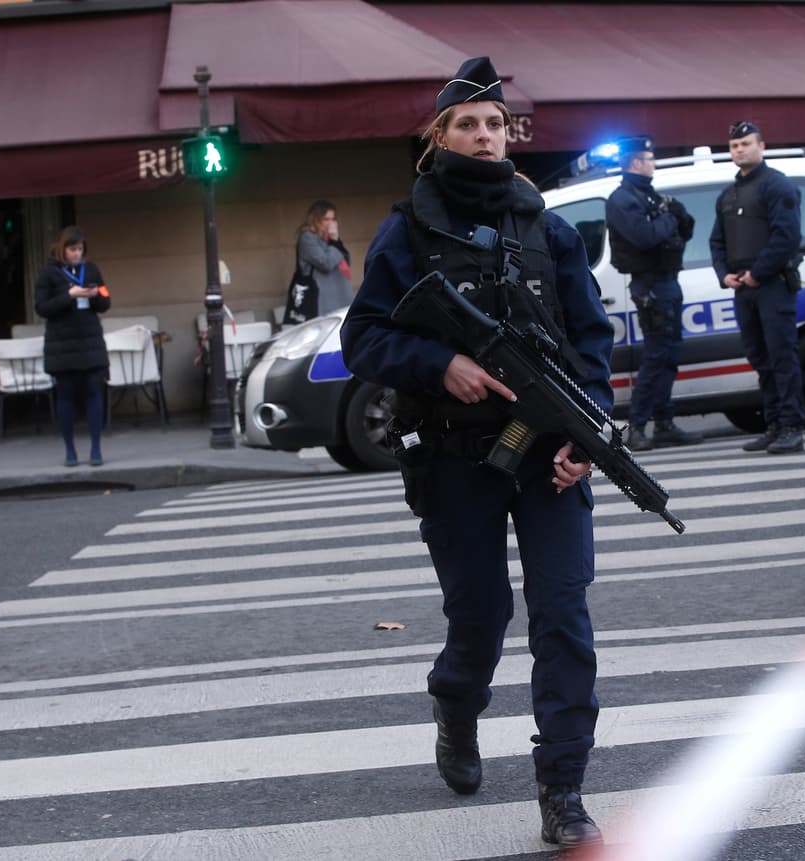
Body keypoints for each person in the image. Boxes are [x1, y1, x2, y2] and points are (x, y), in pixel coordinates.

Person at [339, 57, 612, 849]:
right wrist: (441, 365)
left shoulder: (546, 225)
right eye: (469, 124)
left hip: (546, 459)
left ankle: (562, 787)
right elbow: (362, 338)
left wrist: (585, 440)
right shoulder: (409, 229)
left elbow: (591, 345)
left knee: (563, 615)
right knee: (483, 616)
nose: (485, 136)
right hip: (458, 458)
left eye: (495, 124)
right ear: (440, 136)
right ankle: (456, 708)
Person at [709, 121, 804, 453]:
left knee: (782, 357)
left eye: (746, 143)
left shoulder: (776, 186)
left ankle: (792, 427)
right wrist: (725, 275)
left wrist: (757, 273)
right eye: (734, 145)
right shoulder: (728, 193)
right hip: (744, 289)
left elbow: (786, 236)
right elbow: (717, 241)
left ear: (761, 146)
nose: (739, 150)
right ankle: (775, 424)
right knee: (760, 358)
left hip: (772, 285)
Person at [604, 135, 702, 451]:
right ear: (636, 162)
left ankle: (664, 423)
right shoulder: (623, 199)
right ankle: (638, 427)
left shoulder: (647, 196)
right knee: (657, 356)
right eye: (650, 159)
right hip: (650, 286)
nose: (653, 164)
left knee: (670, 355)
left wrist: (675, 215)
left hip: (667, 281)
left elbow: (680, 231)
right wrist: (668, 216)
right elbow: (645, 236)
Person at [34, 226, 111, 467]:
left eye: (79, 249)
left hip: (89, 338)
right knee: (65, 395)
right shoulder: (49, 273)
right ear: (62, 249)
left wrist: (94, 295)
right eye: (72, 249)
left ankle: (96, 449)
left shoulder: (92, 269)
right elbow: (41, 307)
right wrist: (70, 295)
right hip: (62, 342)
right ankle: (70, 450)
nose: (77, 254)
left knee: (93, 392)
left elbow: (106, 300)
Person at [283, 200, 354, 324]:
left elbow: (346, 260)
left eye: (333, 219)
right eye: (326, 219)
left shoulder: (329, 239)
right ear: (315, 219)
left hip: (338, 298)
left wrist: (335, 241)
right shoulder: (307, 238)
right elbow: (325, 263)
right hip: (320, 301)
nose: (330, 223)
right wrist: (334, 243)